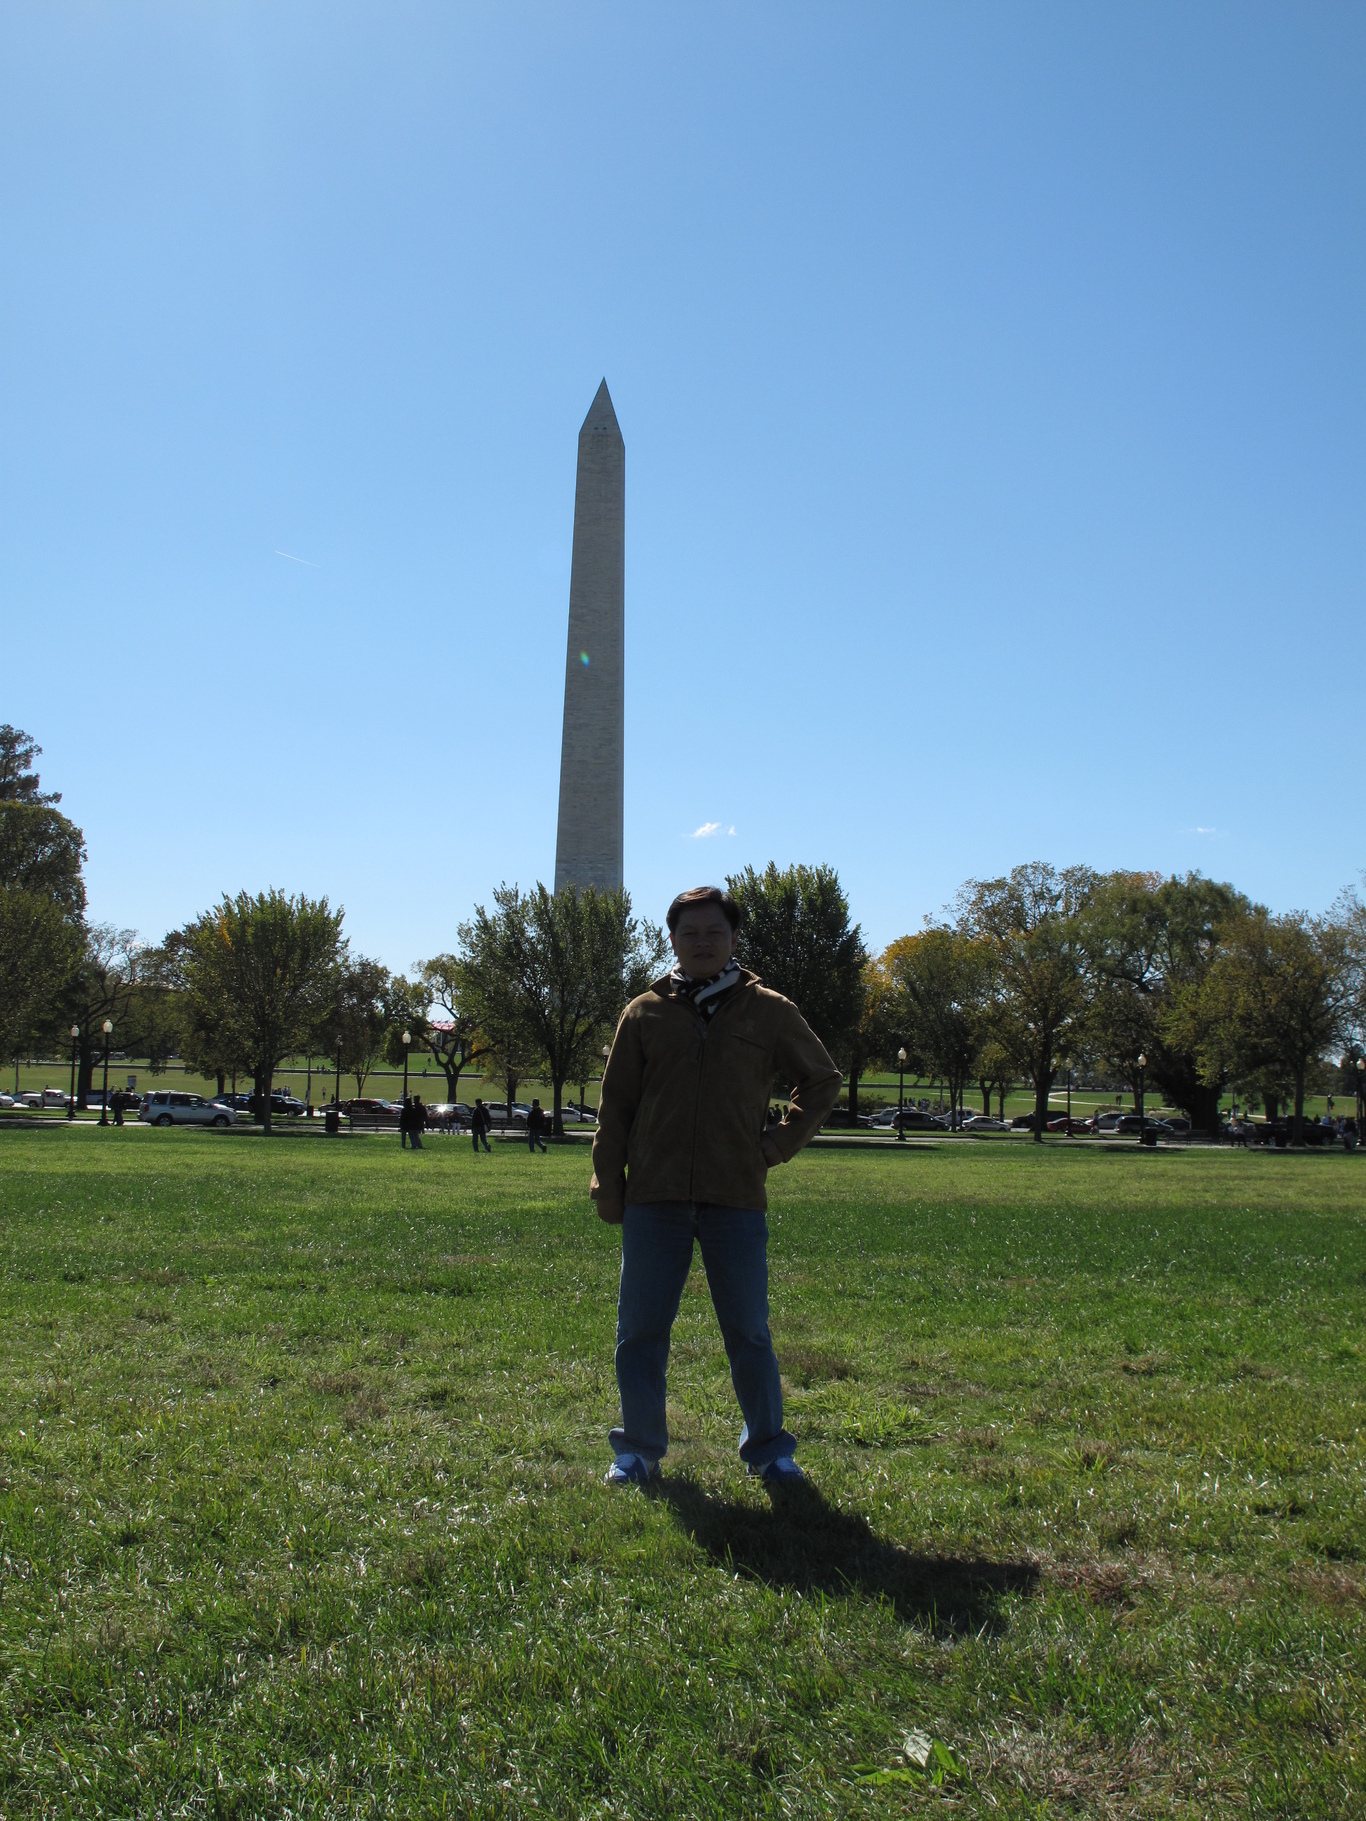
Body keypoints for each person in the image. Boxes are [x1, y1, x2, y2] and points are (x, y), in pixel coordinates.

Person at [592, 884, 842, 1489]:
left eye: (714, 932)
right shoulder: (644, 1012)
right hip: (655, 1196)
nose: (702, 942)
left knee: (749, 1332)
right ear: (672, 940)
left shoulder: (770, 1010)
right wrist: (608, 1179)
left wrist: (777, 1145)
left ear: (733, 939)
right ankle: (638, 1450)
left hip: (735, 1197)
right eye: (690, 933)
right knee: (640, 1332)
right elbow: (616, 1106)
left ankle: (770, 1451)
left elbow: (821, 1080)